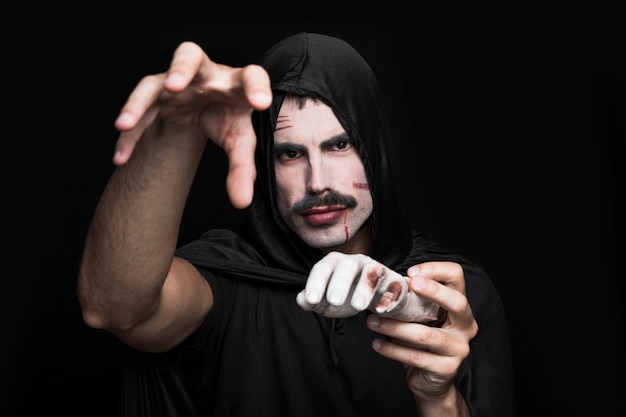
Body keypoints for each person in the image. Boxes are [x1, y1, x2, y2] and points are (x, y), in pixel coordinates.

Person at [78, 32, 516, 416]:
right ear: (263, 164)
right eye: (289, 153)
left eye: (340, 144)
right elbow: (113, 307)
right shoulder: (223, 284)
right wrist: (177, 128)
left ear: (375, 149)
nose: (318, 182)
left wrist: (438, 399)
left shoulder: (453, 294)